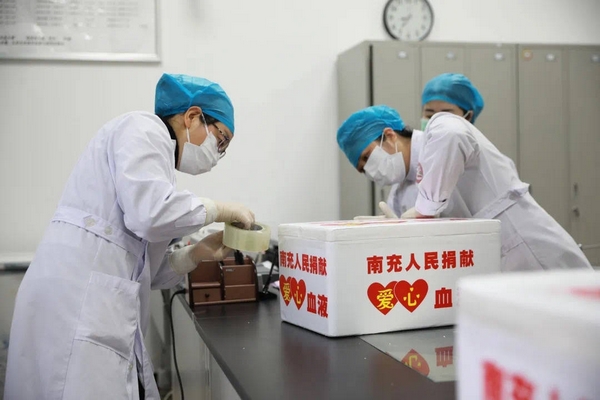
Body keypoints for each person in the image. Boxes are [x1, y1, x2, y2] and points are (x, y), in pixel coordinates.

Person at [4, 73, 256, 400]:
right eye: (220, 140)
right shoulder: (143, 129)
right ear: (193, 116)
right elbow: (151, 216)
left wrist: (196, 254)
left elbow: (144, 270)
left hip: (92, 303)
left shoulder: (156, 167)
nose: (217, 154)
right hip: (74, 303)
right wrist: (219, 209)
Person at [337, 75, 592, 272]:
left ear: (389, 136)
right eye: (362, 169)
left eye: (367, 157)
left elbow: (453, 136)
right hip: (487, 268)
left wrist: (425, 210)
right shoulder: (399, 191)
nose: (369, 170)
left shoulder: (439, 130)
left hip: (530, 251)